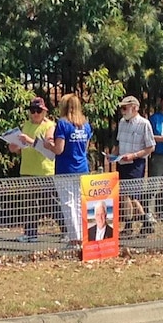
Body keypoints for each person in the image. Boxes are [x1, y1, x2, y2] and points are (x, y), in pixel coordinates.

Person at [46, 94, 93, 244]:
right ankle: (82, 236)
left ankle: (74, 239)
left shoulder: (63, 124)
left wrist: (48, 145)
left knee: (68, 204)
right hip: (82, 167)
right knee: (79, 204)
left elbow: (59, 149)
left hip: (65, 169)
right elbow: (85, 147)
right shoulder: (85, 124)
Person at [8, 96, 55, 243]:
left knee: (50, 203)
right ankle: (30, 233)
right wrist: (14, 145)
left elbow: (49, 147)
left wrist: (29, 141)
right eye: (33, 111)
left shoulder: (50, 126)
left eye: (38, 111)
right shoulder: (26, 125)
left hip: (44, 170)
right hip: (27, 169)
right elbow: (16, 148)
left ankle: (67, 230)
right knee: (28, 204)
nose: (35, 114)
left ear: (44, 111)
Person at [111, 96, 156, 237]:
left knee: (133, 195)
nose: (123, 111)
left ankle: (146, 221)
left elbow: (150, 147)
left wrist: (134, 155)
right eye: (122, 108)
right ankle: (129, 226)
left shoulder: (144, 124)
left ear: (135, 108)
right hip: (122, 162)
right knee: (124, 195)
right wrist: (113, 155)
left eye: (125, 108)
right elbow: (119, 143)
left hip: (136, 163)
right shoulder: (122, 123)